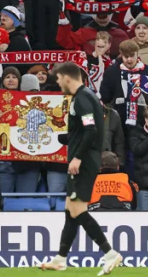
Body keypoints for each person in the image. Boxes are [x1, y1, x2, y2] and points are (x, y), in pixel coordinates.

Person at [38, 62, 122, 273]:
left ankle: (110, 253)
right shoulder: (87, 97)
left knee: (78, 210)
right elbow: (86, 131)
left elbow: (91, 131)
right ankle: (60, 258)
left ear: (67, 77)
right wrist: (64, 137)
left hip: (83, 163)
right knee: (70, 211)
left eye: (57, 79)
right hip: (85, 160)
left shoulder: (82, 98)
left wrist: (77, 157)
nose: (57, 83)